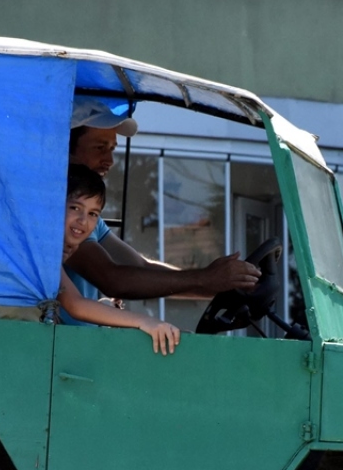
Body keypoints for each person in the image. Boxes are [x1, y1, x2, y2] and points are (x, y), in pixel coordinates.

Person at [64, 97, 261, 303]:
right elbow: (113, 280)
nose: (110, 161)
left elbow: (139, 267)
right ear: (65, 147)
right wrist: (205, 279)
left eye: (112, 149)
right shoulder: (62, 211)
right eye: (99, 148)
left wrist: (222, 286)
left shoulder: (86, 214)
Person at [59, 165, 181, 355]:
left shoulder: (62, 251)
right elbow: (75, 305)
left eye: (93, 214)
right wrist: (144, 321)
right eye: (75, 208)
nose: (83, 220)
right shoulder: (44, 251)